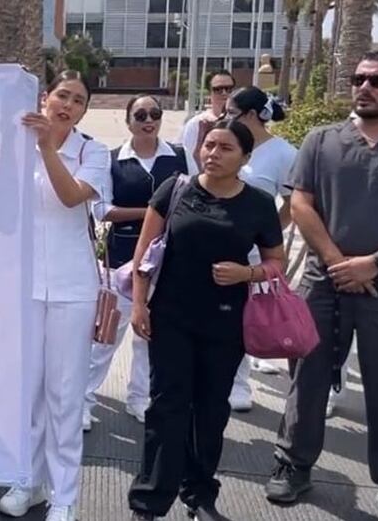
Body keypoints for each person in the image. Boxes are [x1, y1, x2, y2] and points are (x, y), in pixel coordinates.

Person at [128, 119, 286, 521]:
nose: (213, 154)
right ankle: (149, 501)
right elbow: (145, 254)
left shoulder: (258, 204)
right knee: (167, 407)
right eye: (209, 145)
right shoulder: (175, 189)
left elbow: (276, 263)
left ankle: (199, 495)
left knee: (211, 410)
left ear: (245, 158)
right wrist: (139, 305)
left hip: (226, 323)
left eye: (225, 148)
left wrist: (246, 273)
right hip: (171, 317)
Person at [265, 50, 378, 517]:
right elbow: (301, 204)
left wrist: (375, 263)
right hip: (324, 282)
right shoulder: (321, 140)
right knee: (308, 374)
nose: (365, 87)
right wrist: (340, 262)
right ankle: (293, 465)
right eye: (359, 78)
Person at [0, 71, 110, 521]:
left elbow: (69, 197)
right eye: (63, 95)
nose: (68, 105)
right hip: (22, 285)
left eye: (78, 100)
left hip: (72, 287)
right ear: (45, 97)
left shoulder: (93, 152)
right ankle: (28, 480)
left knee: (64, 395)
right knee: (27, 391)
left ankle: (63, 495)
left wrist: (47, 148)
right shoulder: (13, 144)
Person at [84, 94, 193, 430]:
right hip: (122, 259)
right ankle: (82, 400)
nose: (149, 121)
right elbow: (102, 209)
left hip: (169, 260)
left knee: (149, 336)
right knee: (106, 336)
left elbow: (195, 196)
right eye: (141, 114)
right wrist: (153, 213)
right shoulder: (113, 160)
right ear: (128, 120)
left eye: (155, 114)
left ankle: (139, 399)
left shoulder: (179, 156)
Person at [221, 86, 297, 411]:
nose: (225, 118)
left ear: (251, 115)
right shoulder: (227, 140)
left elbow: (293, 204)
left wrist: (266, 236)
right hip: (213, 244)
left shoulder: (284, 154)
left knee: (242, 317)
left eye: (231, 112)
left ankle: (239, 384)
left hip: (250, 255)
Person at [179, 70, 236, 170]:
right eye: (218, 89)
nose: (224, 93)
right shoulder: (196, 123)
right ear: (210, 93)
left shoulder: (241, 121)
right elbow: (185, 157)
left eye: (229, 89)